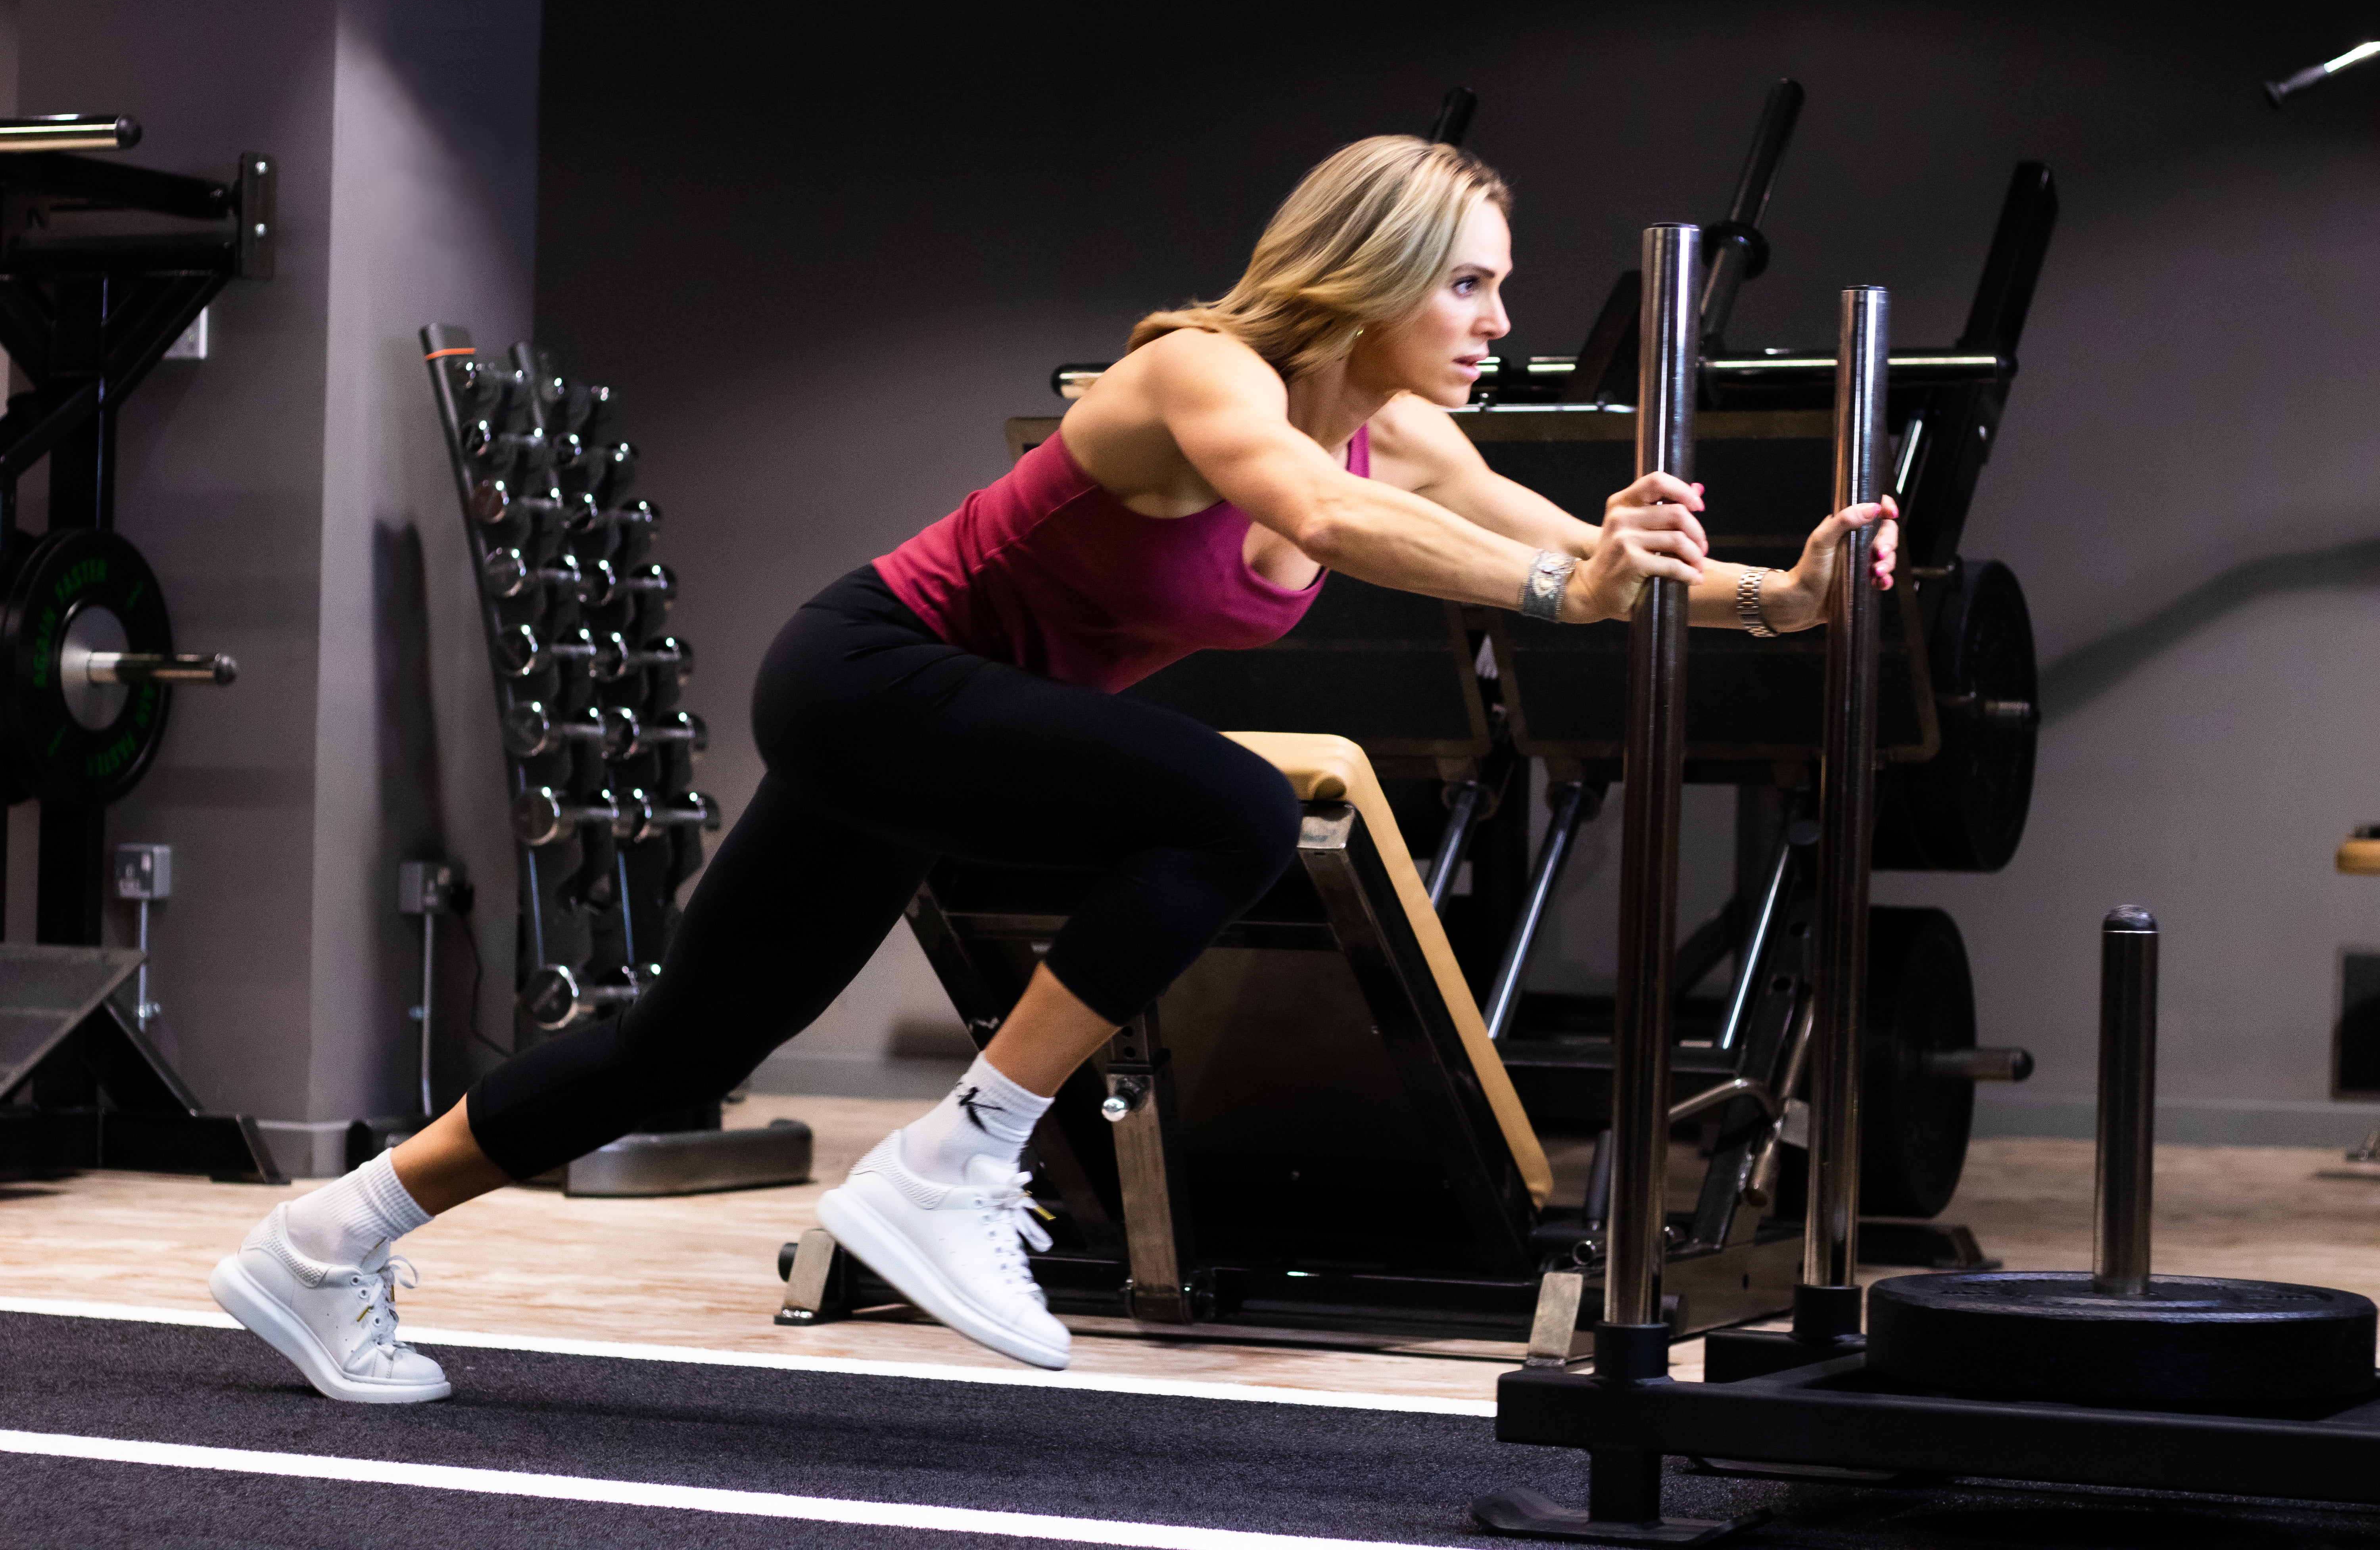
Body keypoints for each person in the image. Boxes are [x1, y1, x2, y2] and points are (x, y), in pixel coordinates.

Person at [209, 134, 1895, 1399]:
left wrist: (1784, 595)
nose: (1495, 318)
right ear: (1367, 267)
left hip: (932, 728)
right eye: (1469, 280)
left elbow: (1580, 553)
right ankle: (957, 1160)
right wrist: (1560, 580)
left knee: (683, 1044)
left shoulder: (1408, 434)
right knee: (1235, 807)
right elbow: (1325, 519)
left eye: (1500, 284)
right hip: (875, 674)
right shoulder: (1197, 370)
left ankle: (321, 1239)